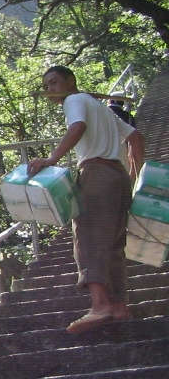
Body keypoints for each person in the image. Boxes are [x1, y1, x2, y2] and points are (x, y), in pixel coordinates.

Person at [28, 66, 145, 333]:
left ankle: (100, 304)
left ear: (71, 80)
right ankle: (119, 305)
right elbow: (136, 136)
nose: (50, 90)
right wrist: (134, 174)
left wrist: (51, 159)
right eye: (46, 86)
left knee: (88, 236)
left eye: (54, 82)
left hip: (96, 173)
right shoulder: (100, 106)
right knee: (114, 243)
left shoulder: (74, 100)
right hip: (117, 178)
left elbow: (78, 126)